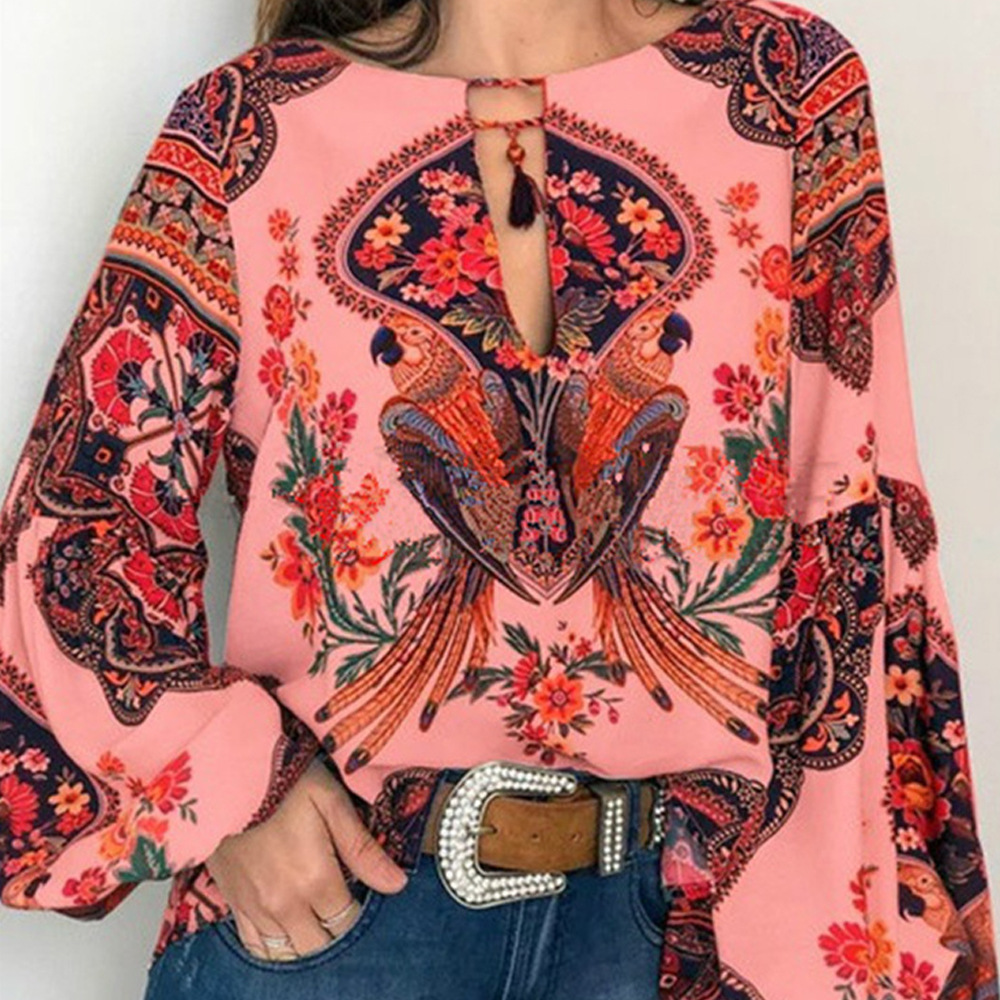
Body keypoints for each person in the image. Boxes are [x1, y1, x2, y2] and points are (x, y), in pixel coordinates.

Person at [0, 0, 996, 997]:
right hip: (333, 921)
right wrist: (229, 797)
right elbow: (74, 527)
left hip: (689, 923)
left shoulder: (784, 89)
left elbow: (857, 543)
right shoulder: (243, 132)